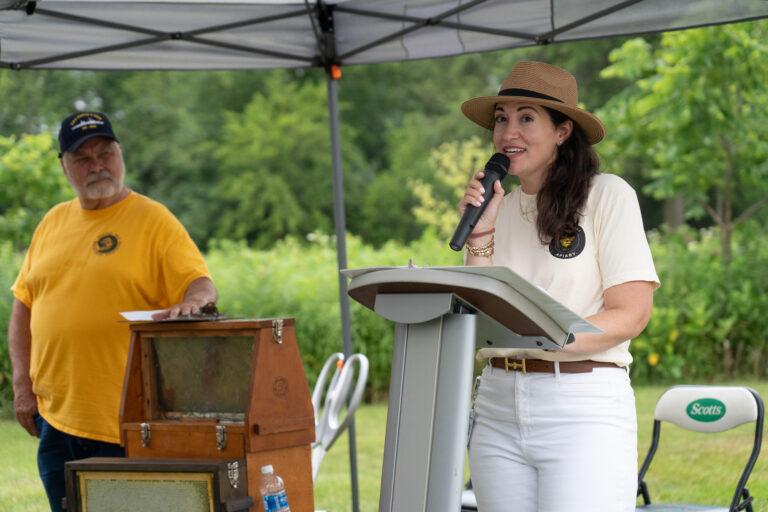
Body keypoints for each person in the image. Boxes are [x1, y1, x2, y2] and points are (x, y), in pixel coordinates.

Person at [459, 61, 659, 511]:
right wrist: (480, 233)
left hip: (581, 405)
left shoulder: (607, 196)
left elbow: (631, 313)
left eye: (527, 118)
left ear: (563, 131)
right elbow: (479, 309)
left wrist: (547, 340)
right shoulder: (498, 208)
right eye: (501, 119)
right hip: (496, 405)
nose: (509, 132)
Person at [8, 111, 218, 512]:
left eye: (105, 153)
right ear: (64, 166)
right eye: (82, 159)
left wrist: (195, 302)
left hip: (126, 426)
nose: (97, 166)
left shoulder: (153, 220)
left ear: (120, 154)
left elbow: (200, 283)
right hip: (57, 420)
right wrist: (23, 387)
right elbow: (23, 309)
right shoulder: (52, 222)